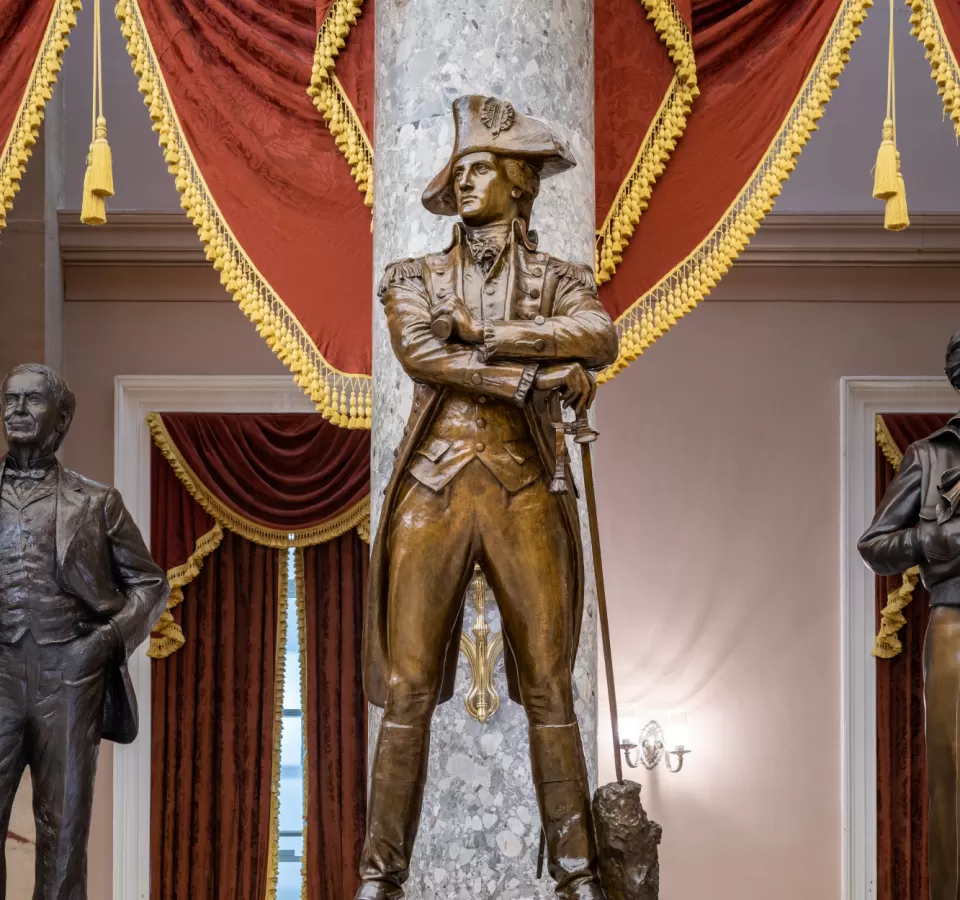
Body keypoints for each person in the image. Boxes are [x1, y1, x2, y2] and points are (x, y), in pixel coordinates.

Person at [360, 95, 619, 900]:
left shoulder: (561, 279)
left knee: (550, 685)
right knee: (405, 690)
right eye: (460, 172)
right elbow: (423, 355)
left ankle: (576, 876)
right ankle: (380, 879)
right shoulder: (412, 277)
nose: (467, 183)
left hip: (524, 490)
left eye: (480, 170)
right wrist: (533, 376)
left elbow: (600, 337)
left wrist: (492, 333)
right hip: (431, 492)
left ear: (518, 182)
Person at [0, 363, 168, 900]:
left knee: (64, 831)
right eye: (10, 400)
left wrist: (104, 642)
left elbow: (150, 583)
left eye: (32, 401)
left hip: (68, 681)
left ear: (63, 417)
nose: (17, 411)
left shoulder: (96, 502)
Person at [859, 332, 960, 900]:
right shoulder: (930, 455)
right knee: (953, 776)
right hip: (956, 621)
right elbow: (875, 545)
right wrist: (942, 537)